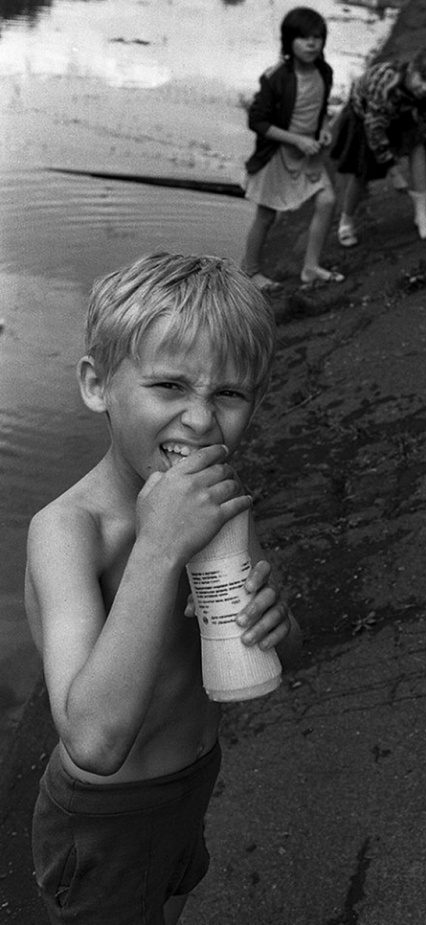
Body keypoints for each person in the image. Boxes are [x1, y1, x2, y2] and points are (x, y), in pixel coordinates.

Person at [26, 251, 302, 923]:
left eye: (229, 394)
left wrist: (277, 625)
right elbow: (93, 739)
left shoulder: (220, 504)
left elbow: (280, 654)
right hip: (105, 815)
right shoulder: (68, 530)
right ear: (98, 384)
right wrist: (159, 544)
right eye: (170, 386)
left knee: (168, 905)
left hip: (192, 780)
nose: (202, 420)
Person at [242, 6, 342, 293]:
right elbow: (257, 121)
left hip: (309, 156)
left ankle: (310, 268)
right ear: (289, 42)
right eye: (303, 38)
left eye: (317, 37)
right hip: (277, 155)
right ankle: (250, 272)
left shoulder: (324, 71)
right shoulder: (276, 77)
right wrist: (296, 139)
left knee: (326, 201)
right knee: (266, 215)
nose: (312, 44)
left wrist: (323, 127)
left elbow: (321, 109)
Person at [330, 46, 426, 247]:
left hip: (402, 111)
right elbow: (375, 130)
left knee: (418, 145)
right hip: (366, 116)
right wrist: (394, 173)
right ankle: (346, 221)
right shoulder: (386, 85)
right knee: (363, 171)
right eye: (423, 79)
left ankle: (422, 217)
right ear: (412, 69)